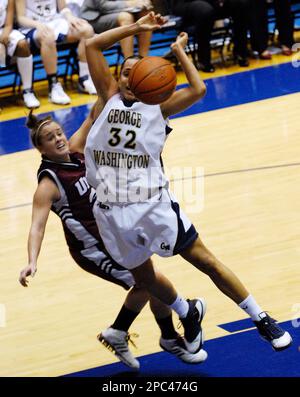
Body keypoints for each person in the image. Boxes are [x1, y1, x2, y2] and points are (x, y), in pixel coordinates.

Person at [84, 11, 292, 352]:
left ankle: (261, 318)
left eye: (135, 73)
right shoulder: (109, 99)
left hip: (150, 204)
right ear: (117, 79)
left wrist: (179, 51)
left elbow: (199, 88)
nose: (128, 78)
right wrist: (136, 28)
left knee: (205, 260)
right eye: (124, 73)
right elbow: (92, 44)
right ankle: (188, 311)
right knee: (145, 280)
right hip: (109, 209)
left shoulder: (158, 108)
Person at [18, 100, 208, 370]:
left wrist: (114, 90)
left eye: (58, 133)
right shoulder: (48, 184)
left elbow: (93, 116)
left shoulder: (76, 149)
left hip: (113, 231)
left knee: (151, 279)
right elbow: (37, 226)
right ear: (41, 149)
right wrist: (32, 261)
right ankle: (167, 323)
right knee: (148, 281)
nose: (58, 139)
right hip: (92, 248)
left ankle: (154, 334)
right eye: (50, 138)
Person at [15, 0, 97, 106]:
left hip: (55, 22)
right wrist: (37, 24)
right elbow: (20, 18)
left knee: (87, 30)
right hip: (31, 27)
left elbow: (63, 8)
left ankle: (84, 78)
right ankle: (53, 86)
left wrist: (70, 17)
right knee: (48, 37)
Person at [170, 0, 250, 72]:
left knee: (240, 3)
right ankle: (203, 61)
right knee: (205, 10)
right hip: (186, 2)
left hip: (211, 3)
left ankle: (241, 53)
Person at [0, 0, 40, 108]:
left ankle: (28, 91)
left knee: (23, 45)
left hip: (3, 30)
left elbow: (8, 24)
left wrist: (5, 34)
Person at [80, 0, 153, 58]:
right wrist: (129, 3)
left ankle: (144, 59)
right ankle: (129, 63)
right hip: (95, 17)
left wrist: (144, 1)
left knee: (147, 14)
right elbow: (104, 6)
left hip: (122, 11)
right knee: (126, 17)